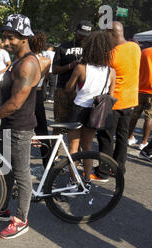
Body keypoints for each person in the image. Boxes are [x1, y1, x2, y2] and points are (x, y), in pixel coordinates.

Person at [0, 14, 41, 239]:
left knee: (21, 173)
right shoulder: (17, 60)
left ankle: (21, 219)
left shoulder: (27, 64)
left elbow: (16, 103)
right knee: (4, 167)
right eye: (5, 38)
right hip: (9, 123)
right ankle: (4, 208)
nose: (5, 42)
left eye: (10, 38)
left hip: (20, 127)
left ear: (24, 37)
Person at [65, 31, 116, 185]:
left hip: (78, 109)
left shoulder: (81, 68)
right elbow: (110, 95)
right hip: (95, 112)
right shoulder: (111, 72)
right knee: (87, 147)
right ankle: (87, 179)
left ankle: (73, 181)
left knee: (73, 148)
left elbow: (68, 88)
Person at [94, 22, 141, 181]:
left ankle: (103, 172)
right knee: (122, 137)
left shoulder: (111, 55)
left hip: (114, 102)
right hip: (131, 100)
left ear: (112, 34)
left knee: (106, 137)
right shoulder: (135, 48)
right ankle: (118, 168)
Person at [52, 21, 92, 154]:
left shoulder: (92, 49)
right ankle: (54, 155)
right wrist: (70, 66)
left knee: (79, 125)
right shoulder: (63, 47)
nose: (83, 37)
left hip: (83, 92)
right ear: (75, 32)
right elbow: (55, 70)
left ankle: (76, 155)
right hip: (63, 90)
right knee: (59, 123)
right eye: (81, 34)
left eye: (86, 35)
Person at [29, 31, 52, 169]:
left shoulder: (25, 60)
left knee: (20, 130)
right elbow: (42, 80)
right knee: (43, 131)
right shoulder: (46, 61)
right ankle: (48, 164)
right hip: (38, 94)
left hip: (26, 94)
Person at [128, 45, 152, 150]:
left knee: (134, 115)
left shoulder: (145, 51)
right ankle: (144, 142)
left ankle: (130, 137)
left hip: (139, 88)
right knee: (150, 117)